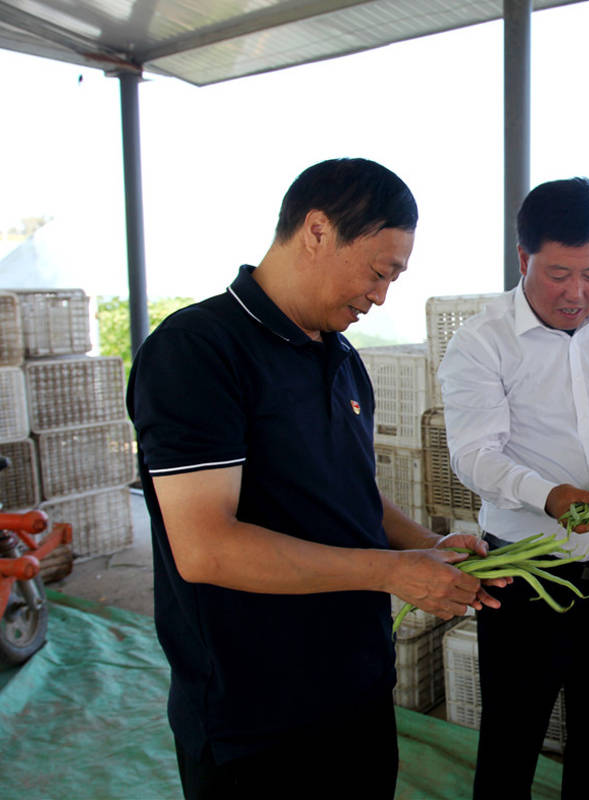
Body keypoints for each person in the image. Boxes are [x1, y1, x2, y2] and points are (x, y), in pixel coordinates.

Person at [127, 158, 502, 800]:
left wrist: (425, 546)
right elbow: (206, 547)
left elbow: (349, 491)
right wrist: (389, 571)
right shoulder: (198, 350)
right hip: (259, 718)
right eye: (379, 271)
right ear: (318, 230)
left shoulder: (343, 358)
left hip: (356, 690)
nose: (381, 295)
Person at [437, 177, 589, 799]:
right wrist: (548, 495)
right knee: (510, 744)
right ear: (524, 260)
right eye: (558, 274)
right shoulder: (481, 343)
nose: (577, 293)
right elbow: (474, 456)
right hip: (524, 586)